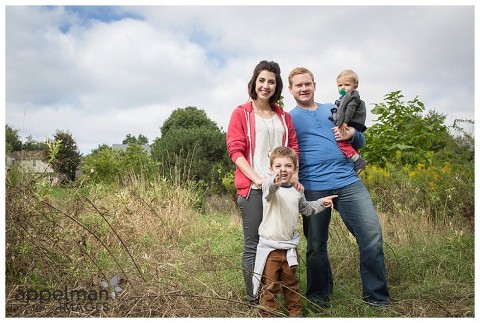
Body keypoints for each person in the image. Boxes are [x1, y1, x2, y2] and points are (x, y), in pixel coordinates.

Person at [287, 67, 390, 307]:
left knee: (371, 236)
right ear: (290, 89)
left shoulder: (333, 109)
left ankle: (376, 298)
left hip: (348, 181)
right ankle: (318, 298)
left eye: (308, 84)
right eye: (298, 85)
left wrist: (353, 133)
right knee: (315, 245)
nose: (304, 88)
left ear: (314, 85)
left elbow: (360, 139)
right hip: (313, 186)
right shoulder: (288, 118)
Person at [226, 60, 302, 304]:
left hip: (282, 190)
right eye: (262, 80)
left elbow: (294, 149)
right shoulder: (241, 113)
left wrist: (295, 178)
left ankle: (274, 294)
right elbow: (235, 151)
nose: (266, 85)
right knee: (254, 244)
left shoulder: (284, 116)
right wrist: (257, 178)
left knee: (280, 241)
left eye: (271, 81)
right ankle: (254, 297)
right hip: (255, 189)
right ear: (254, 82)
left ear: (277, 85)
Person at [252, 146, 337, 317]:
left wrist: (321, 202)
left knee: (291, 284)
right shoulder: (269, 190)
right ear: (271, 169)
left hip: (289, 247)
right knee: (270, 285)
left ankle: (295, 313)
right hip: (270, 248)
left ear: (295, 169)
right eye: (278, 166)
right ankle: (269, 314)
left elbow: (306, 208)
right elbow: (269, 187)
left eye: (288, 166)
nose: (283, 169)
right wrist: (272, 181)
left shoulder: (297, 192)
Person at [330, 69, 368, 174]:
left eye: (347, 84)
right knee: (350, 144)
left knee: (341, 143)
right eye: (340, 85)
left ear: (355, 86)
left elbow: (349, 110)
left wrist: (344, 122)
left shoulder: (352, 96)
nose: (343, 88)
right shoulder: (344, 97)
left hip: (351, 122)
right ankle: (356, 161)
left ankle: (357, 161)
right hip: (352, 123)